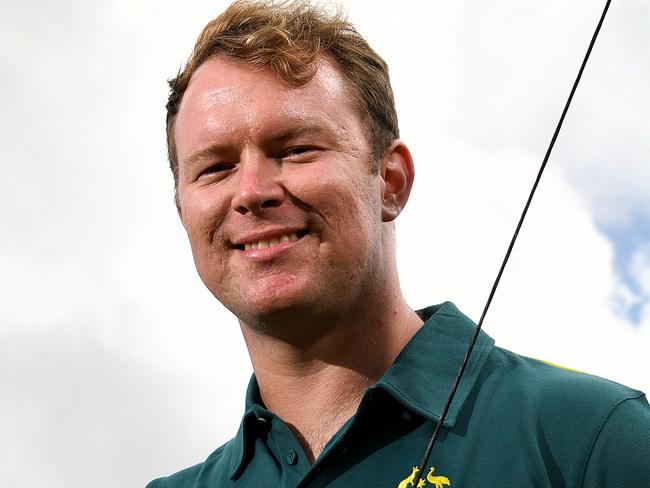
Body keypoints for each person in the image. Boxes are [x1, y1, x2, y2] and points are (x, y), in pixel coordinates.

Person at [147, 1, 650, 486]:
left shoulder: (592, 438)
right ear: (182, 211)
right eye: (215, 168)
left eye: (296, 150)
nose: (252, 192)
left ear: (390, 181)